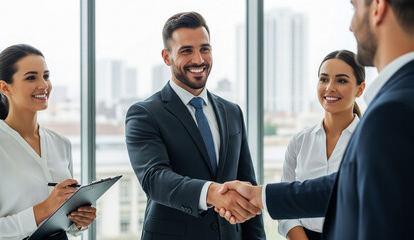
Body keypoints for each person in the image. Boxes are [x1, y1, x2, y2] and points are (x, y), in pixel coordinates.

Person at [217, 0, 414, 239]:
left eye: (354, 7)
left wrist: (257, 196)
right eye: (323, 79)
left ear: (377, 8)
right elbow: (345, 187)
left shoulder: (393, 108)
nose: (351, 26)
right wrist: (259, 195)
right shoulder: (396, 101)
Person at [125, 12, 265, 240]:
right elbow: (154, 178)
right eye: (186, 51)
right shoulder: (145, 114)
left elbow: (248, 182)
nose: (199, 60)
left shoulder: (232, 112)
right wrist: (212, 193)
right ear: (167, 57)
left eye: (205, 49)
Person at [0, 44, 96, 240]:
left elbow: (64, 222)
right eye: (31, 77)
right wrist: (43, 209)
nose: (44, 85)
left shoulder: (61, 143)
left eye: (46, 76)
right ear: (4, 87)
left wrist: (77, 221)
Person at [277, 50, 365, 240]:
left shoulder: (368, 142)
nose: (329, 88)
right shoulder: (299, 142)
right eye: (324, 79)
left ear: (360, 89)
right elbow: (285, 208)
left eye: (341, 80)